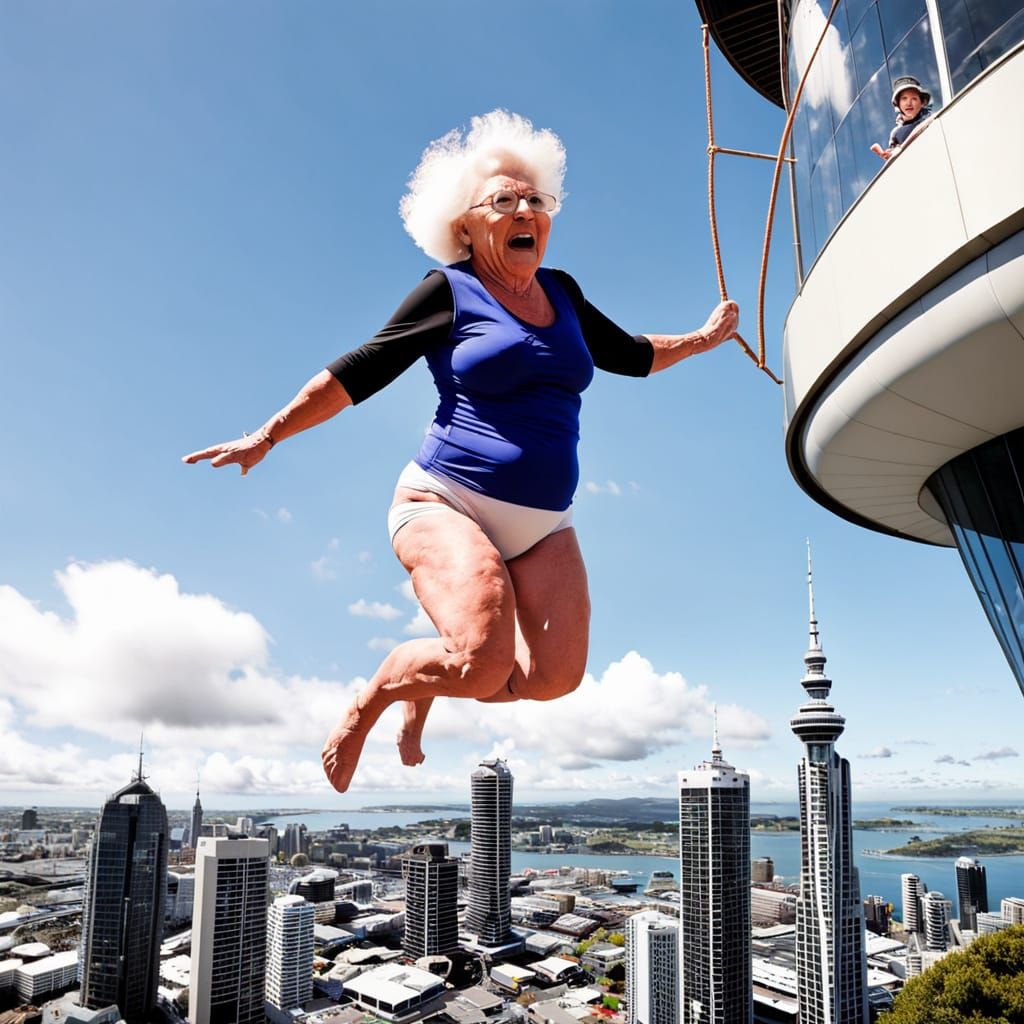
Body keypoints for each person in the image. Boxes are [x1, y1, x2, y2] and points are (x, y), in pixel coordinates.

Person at [183, 110, 739, 793]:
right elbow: (361, 368)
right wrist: (268, 433)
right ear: (466, 223)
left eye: (536, 199)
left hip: (543, 523)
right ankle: (381, 693)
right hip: (445, 500)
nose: (525, 210)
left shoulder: (562, 292)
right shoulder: (449, 290)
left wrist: (702, 340)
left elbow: (629, 354)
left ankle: (428, 684)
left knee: (554, 678)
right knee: (480, 662)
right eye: (504, 201)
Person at [870, 75, 933, 161]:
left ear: (922, 103)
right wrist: (889, 155)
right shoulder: (895, 134)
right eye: (904, 98)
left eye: (914, 98)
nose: (909, 103)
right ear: (898, 104)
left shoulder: (932, 119)